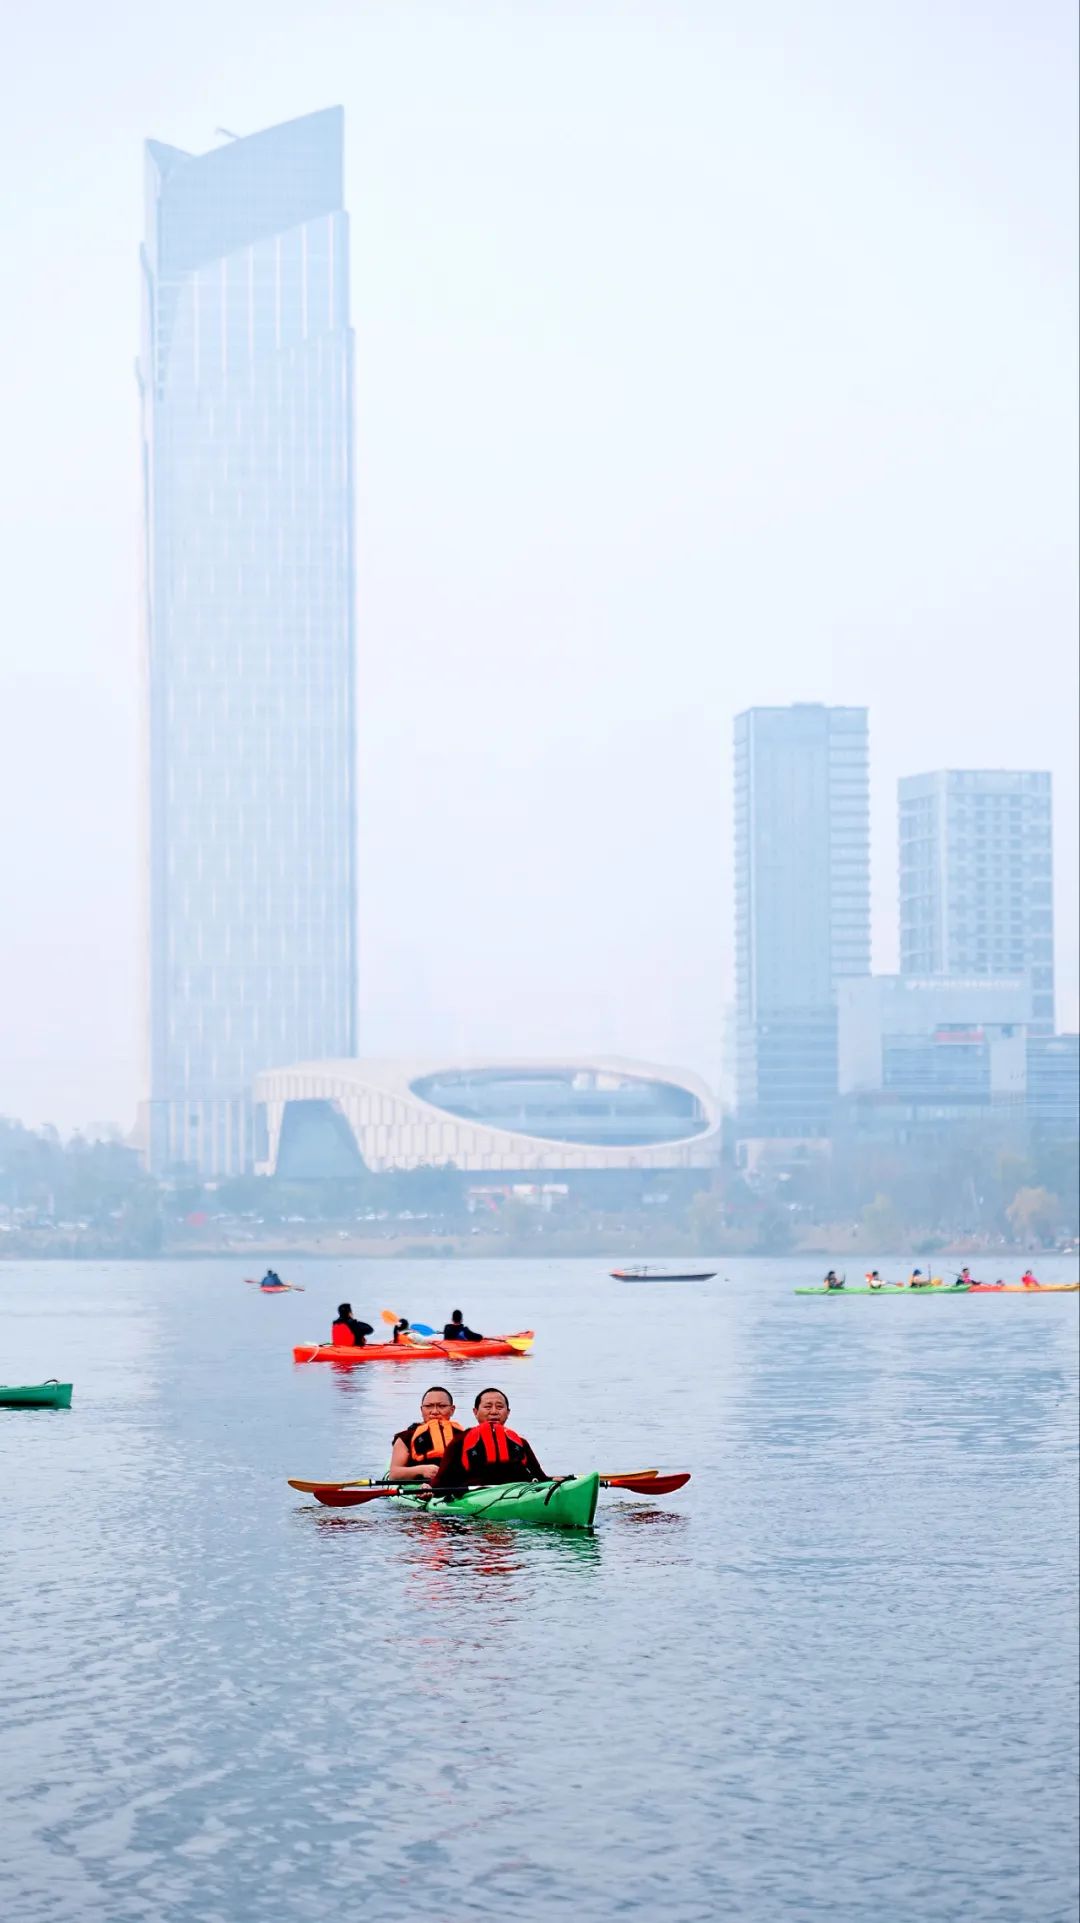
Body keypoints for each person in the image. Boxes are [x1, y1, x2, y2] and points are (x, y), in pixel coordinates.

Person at [433, 1387, 549, 1489]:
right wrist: (428, 1489)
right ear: (475, 1412)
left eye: (499, 1407)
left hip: (516, 1492)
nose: (494, 1412)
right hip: (474, 1495)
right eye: (488, 1407)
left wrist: (554, 1482)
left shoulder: (520, 1443)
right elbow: (440, 1482)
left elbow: (540, 1477)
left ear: (508, 1412)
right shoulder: (459, 1442)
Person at [388, 1387, 463, 1484]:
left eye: (442, 1406)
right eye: (428, 1406)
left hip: (455, 1484)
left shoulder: (464, 1436)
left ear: (452, 1410)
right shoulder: (405, 1437)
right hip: (418, 1485)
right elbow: (394, 1474)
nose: (435, 1411)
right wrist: (421, 1470)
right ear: (422, 1409)